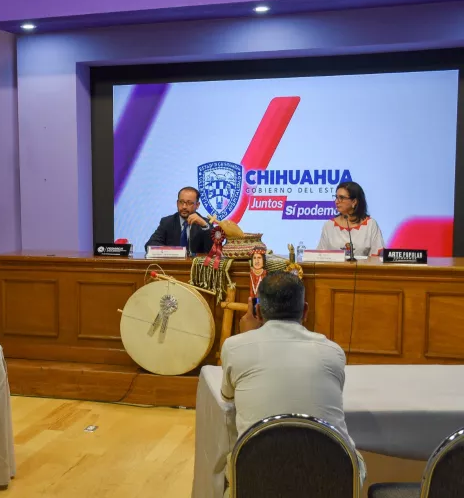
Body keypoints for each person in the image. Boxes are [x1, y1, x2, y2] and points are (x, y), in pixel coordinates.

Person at [220, 271, 365, 496]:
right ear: (305, 311)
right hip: (332, 476)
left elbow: (227, 397)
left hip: (259, 476)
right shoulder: (332, 351)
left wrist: (245, 337)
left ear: (257, 311)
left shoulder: (234, 347)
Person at [317, 181, 385, 257]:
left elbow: (378, 256)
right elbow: (320, 255)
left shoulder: (370, 225)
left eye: (341, 198)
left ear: (354, 202)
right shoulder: (329, 225)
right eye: (336, 197)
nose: (336, 202)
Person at [145, 186, 212, 254]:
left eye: (189, 203)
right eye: (181, 202)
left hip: (196, 261)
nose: (184, 207)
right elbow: (150, 245)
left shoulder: (205, 223)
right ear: (177, 203)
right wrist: (173, 252)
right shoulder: (167, 222)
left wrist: (204, 226)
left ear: (197, 205)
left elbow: (212, 251)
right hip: (174, 260)